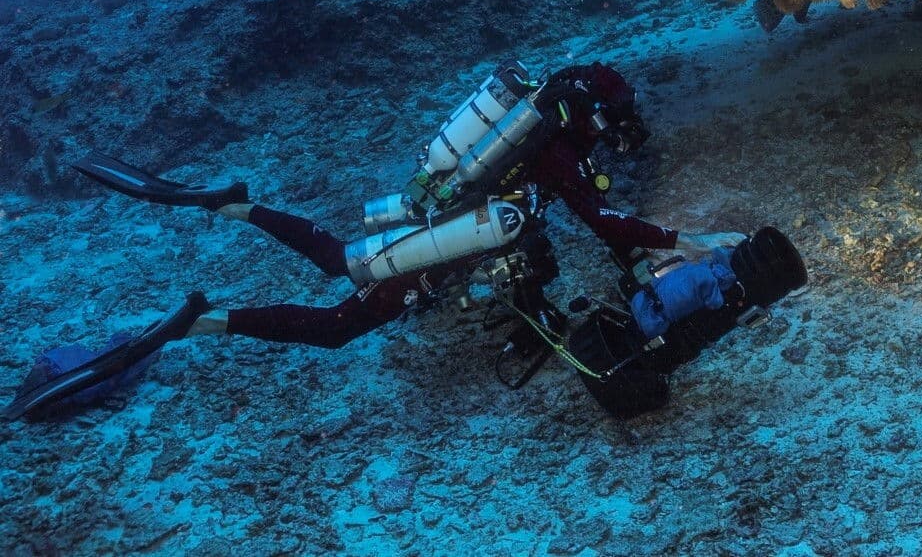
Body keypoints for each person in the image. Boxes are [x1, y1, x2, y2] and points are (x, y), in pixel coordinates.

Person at [6, 62, 755, 421]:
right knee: (341, 322)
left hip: (438, 209)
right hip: (447, 234)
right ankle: (205, 318)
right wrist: (687, 236)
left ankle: (237, 207)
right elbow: (603, 220)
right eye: (609, 126)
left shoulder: (534, 119)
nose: (608, 141)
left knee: (344, 258)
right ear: (591, 117)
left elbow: (586, 220)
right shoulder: (558, 152)